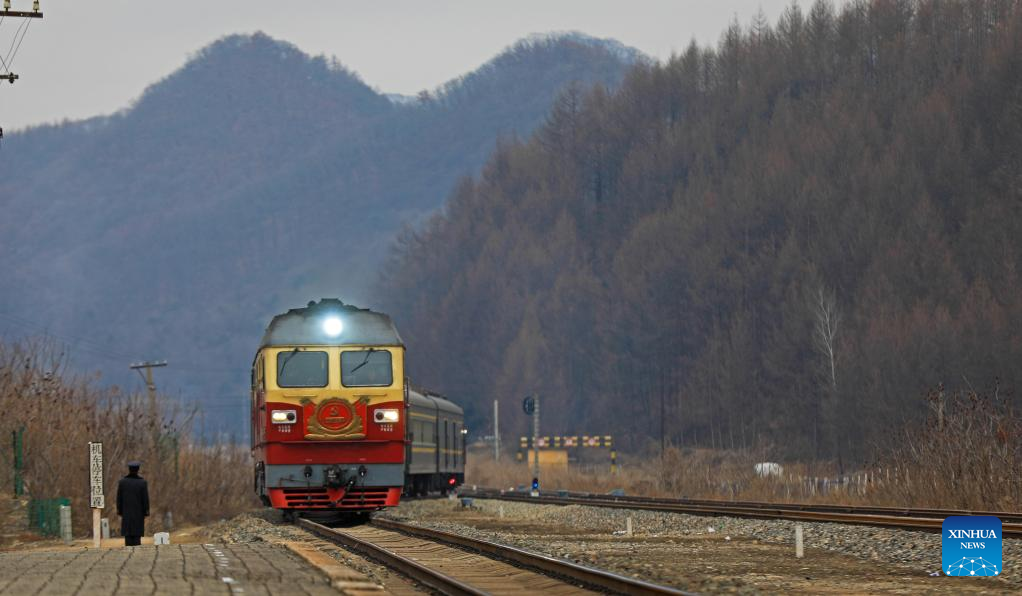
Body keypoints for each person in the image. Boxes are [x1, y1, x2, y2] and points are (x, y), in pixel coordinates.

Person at [116, 460, 149, 547]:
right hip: (138, 514)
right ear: (138, 469)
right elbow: (145, 499)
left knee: (128, 535)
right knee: (137, 536)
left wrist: (120, 511)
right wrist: (146, 512)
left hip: (126, 513)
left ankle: (128, 548)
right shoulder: (142, 483)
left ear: (129, 469)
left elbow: (119, 498)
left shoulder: (122, 482)